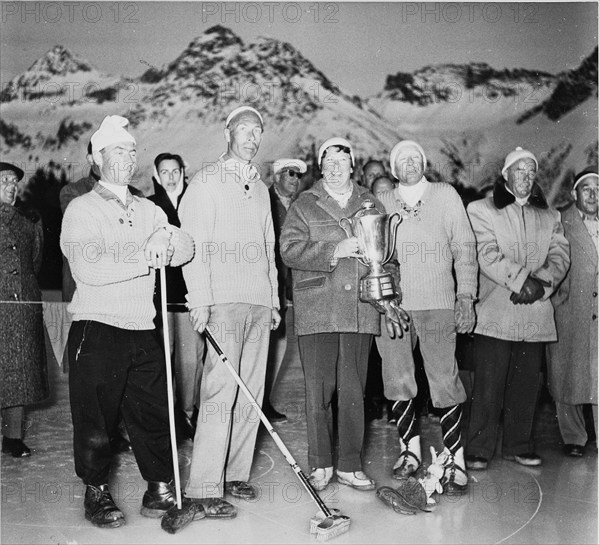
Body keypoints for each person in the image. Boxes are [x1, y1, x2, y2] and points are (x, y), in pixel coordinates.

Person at [60, 115, 195, 528]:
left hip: (142, 326)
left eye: (133, 150)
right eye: (119, 149)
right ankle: (96, 491)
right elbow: (90, 268)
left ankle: (159, 488)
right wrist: (148, 251)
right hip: (97, 327)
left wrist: (167, 237)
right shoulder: (81, 208)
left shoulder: (149, 208)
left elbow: (186, 249)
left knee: (154, 413)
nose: (128, 156)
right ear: (98, 158)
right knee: (96, 420)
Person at [281, 137, 408, 492]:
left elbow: (388, 257)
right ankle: (321, 464)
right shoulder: (304, 204)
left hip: (359, 309)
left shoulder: (371, 202)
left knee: (353, 390)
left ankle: (350, 465)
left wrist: (387, 292)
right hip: (318, 308)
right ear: (321, 166)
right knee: (317, 391)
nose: (335, 166)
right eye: (328, 160)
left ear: (353, 164)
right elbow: (289, 250)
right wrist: (334, 250)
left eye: (342, 159)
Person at [179, 106, 280, 518]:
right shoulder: (205, 182)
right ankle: (204, 485)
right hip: (221, 300)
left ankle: (236, 474)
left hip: (258, 302)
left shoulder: (259, 188)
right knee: (220, 393)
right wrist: (199, 300)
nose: (252, 138)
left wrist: (273, 299)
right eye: (244, 130)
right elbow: (193, 247)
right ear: (227, 133)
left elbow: (268, 245)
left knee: (251, 394)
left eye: (257, 131)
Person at [375, 139, 478, 495]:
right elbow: (372, 259)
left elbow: (465, 247)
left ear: (424, 162)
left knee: (445, 381)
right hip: (395, 308)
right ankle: (410, 452)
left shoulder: (445, 195)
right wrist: (382, 301)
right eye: (401, 159)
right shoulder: (383, 203)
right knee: (398, 378)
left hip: (438, 303)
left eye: (415, 157)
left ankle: (455, 459)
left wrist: (465, 295)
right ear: (393, 168)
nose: (409, 163)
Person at [466, 147, 569, 470]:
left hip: (535, 312)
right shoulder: (481, 210)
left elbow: (560, 257)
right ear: (506, 175)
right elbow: (486, 253)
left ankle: (518, 445)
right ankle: (479, 448)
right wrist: (521, 280)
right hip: (497, 310)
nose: (525, 177)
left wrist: (540, 284)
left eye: (530, 172)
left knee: (526, 386)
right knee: (488, 385)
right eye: (519, 171)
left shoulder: (550, 216)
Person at [59, 140, 132, 454]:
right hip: (87, 292)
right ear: (93, 157)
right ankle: (95, 443)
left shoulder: (132, 195)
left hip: (121, 294)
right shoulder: (74, 193)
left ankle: (114, 430)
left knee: (119, 366)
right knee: (91, 372)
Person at [148, 152, 204, 442]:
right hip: (161, 295)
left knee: (191, 359)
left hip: (190, 293)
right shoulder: (150, 206)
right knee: (163, 359)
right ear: (156, 176)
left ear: (184, 171)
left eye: (175, 170)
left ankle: (188, 413)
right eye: (164, 172)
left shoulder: (195, 201)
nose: (170, 176)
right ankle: (169, 419)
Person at [548, 167, 598, 457]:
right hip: (572, 311)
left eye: (597, 188)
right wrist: (557, 304)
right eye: (586, 188)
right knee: (568, 375)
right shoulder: (562, 222)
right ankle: (574, 438)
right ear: (574, 194)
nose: (592, 194)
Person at [1, 162, 49, 458]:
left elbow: (35, 261)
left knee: (16, 372)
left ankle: (12, 437)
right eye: (4, 179)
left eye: (14, 181)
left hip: (20, 306)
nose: (11, 185)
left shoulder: (29, 220)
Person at [264, 157, 307, 422]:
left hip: (292, 289)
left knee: (279, 347)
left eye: (298, 175)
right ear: (276, 176)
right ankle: (256, 402)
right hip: (270, 286)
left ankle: (264, 400)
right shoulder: (264, 202)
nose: (294, 179)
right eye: (289, 173)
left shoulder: (301, 206)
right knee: (267, 346)